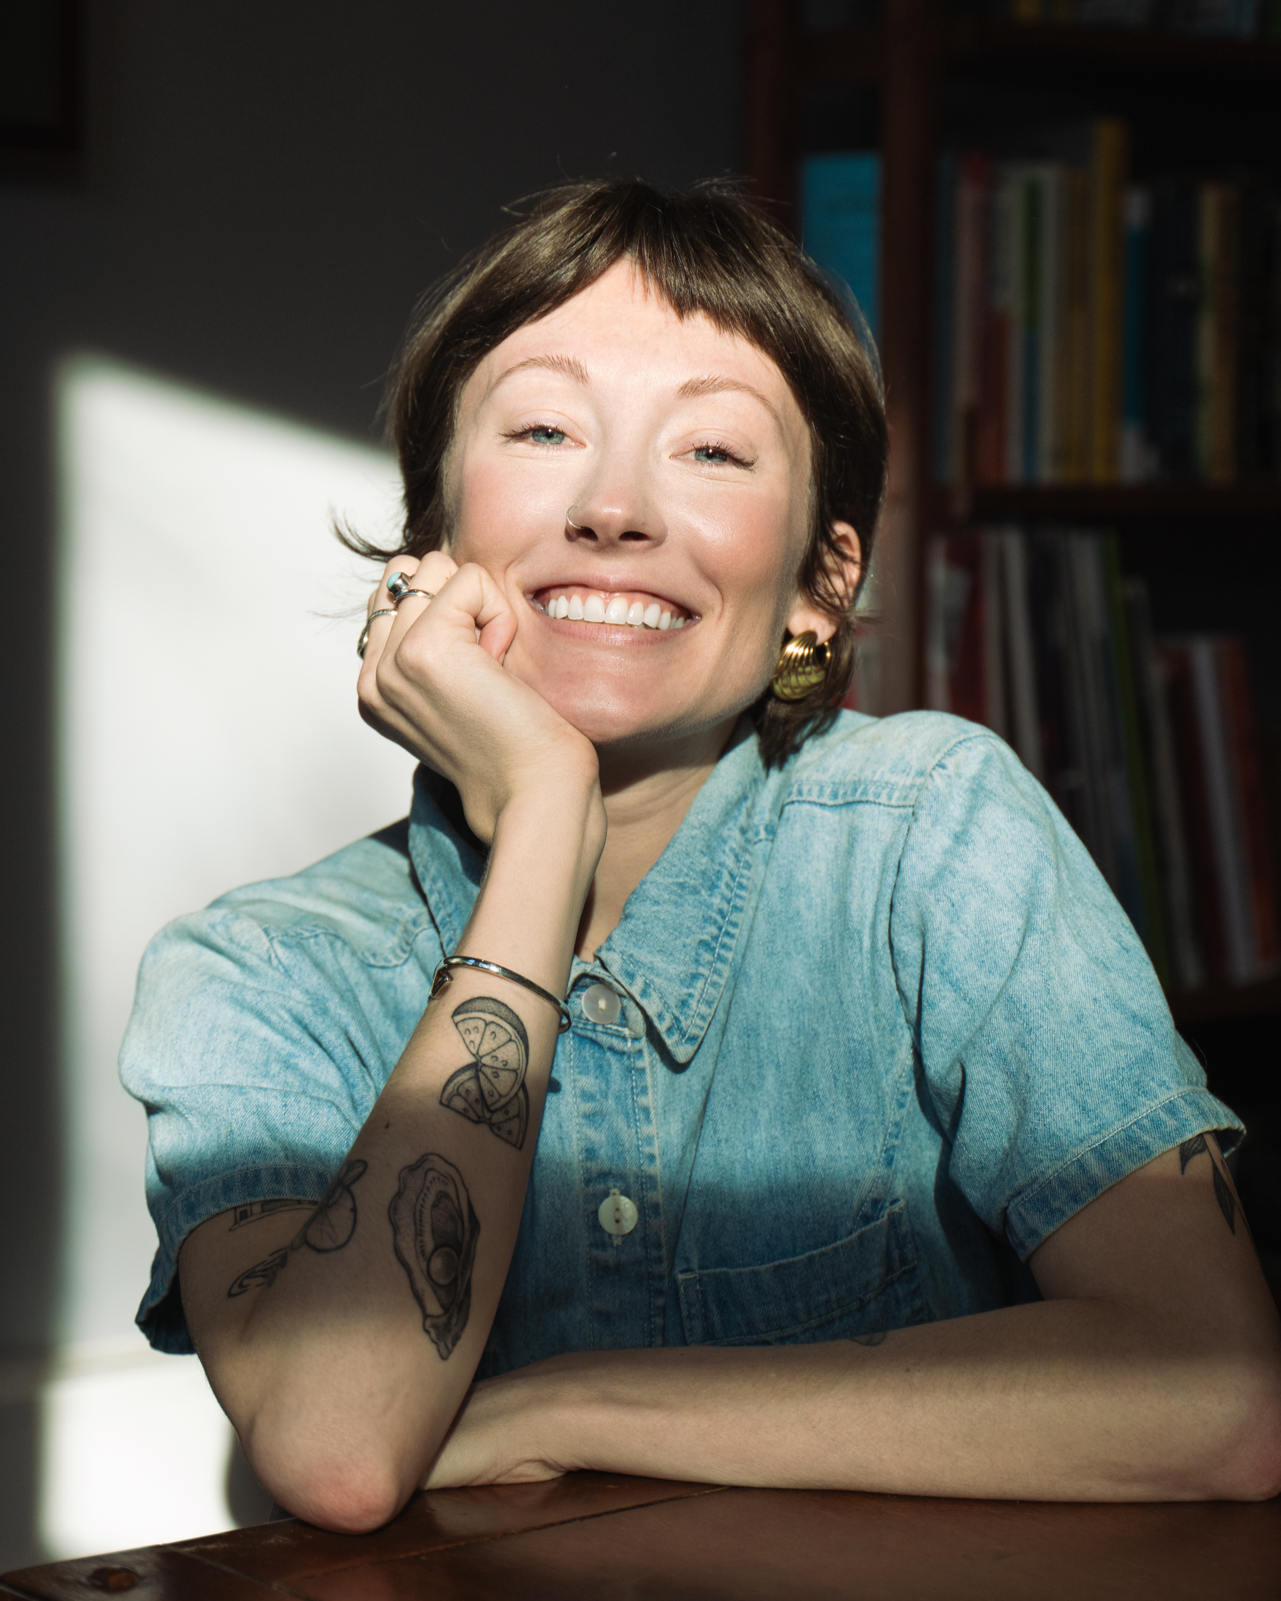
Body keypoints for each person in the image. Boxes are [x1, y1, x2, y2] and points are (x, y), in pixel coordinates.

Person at [121, 180, 1281, 1531]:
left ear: (819, 588)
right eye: (546, 429)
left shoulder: (936, 835)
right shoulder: (255, 974)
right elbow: (337, 1450)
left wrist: (571, 1406)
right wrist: (547, 815)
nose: (615, 508)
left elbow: (1222, 1396)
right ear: (431, 543)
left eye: (714, 453)